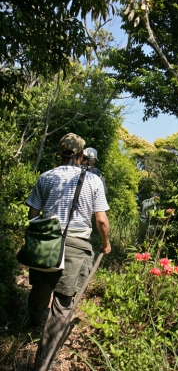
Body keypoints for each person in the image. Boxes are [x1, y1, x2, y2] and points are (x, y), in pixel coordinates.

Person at [26, 133, 111, 371]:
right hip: (76, 246)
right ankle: (44, 363)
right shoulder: (93, 180)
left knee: (41, 286)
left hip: (46, 243)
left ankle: (33, 320)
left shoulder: (46, 177)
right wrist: (106, 244)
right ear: (82, 154)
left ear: (60, 152)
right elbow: (102, 221)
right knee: (63, 303)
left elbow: (33, 215)